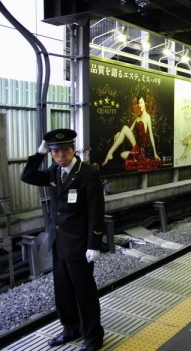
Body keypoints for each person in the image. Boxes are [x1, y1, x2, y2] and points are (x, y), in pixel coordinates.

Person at [21, 129, 105, 351]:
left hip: (80, 246)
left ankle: (93, 338)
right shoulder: (53, 171)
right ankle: (71, 329)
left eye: (64, 150)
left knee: (84, 294)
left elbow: (96, 211)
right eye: (54, 152)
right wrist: (38, 154)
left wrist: (94, 244)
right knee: (63, 291)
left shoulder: (88, 174)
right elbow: (27, 176)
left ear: (73, 149)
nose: (60, 156)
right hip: (59, 243)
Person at [102, 90, 161, 168]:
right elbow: (128, 130)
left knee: (122, 155)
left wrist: (155, 153)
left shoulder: (147, 117)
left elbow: (151, 135)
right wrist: (119, 133)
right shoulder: (137, 118)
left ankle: (110, 154)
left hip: (141, 150)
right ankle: (109, 154)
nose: (140, 105)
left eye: (142, 102)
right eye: (139, 103)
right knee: (121, 154)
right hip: (136, 145)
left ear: (145, 103)